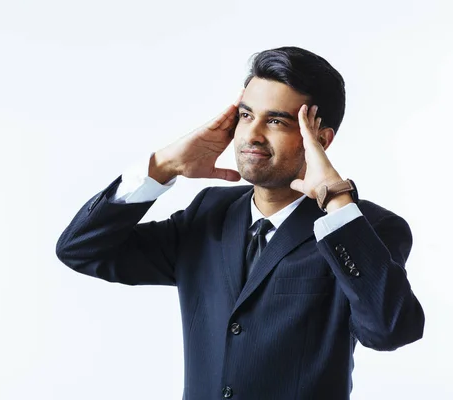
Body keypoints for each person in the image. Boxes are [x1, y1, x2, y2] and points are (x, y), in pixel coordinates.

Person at [56, 46, 425, 399]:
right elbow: (82, 250)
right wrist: (163, 166)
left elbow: (389, 330)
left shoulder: (365, 228)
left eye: (276, 121)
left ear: (321, 139)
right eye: (246, 116)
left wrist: (336, 199)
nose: (251, 134)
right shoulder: (209, 213)